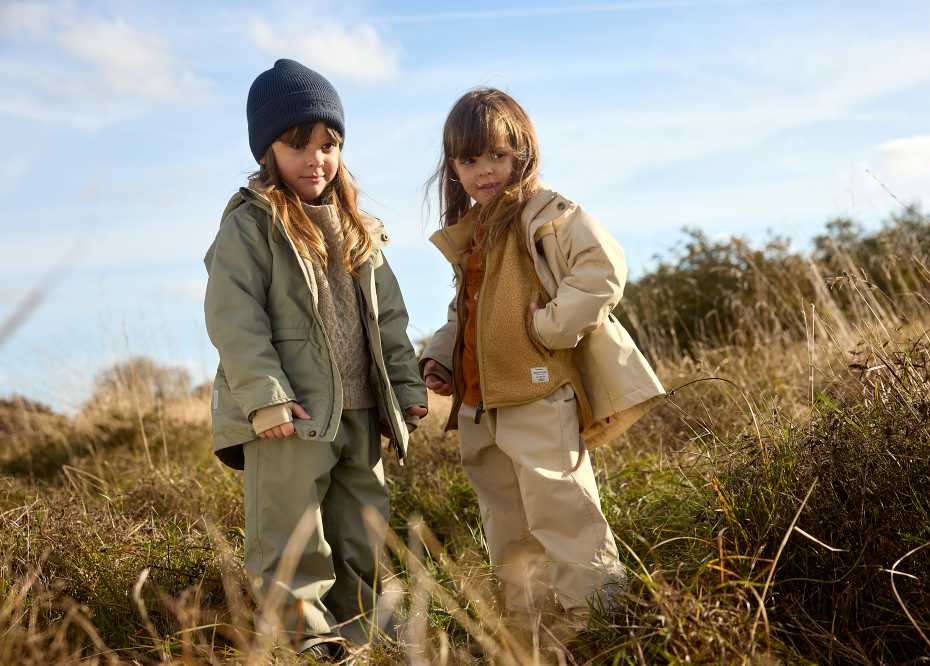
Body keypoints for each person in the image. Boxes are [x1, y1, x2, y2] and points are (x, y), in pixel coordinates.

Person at [420, 88, 665, 644]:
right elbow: (467, 311)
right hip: (483, 407)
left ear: (522, 154)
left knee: (565, 515)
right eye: (468, 160)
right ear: (453, 166)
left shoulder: (549, 213)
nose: (483, 171)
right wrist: (441, 355)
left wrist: (549, 327)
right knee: (507, 531)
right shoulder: (477, 232)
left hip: (538, 392)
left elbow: (603, 269)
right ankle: (533, 638)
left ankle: (600, 629)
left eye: (496, 157)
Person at [203, 58, 427, 658]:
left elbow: (390, 318)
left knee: (364, 534)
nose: (315, 159)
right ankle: (309, 644)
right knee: (293, 539)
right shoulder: (251, 224)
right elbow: (234, 319)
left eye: (328, 144)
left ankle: (368, 639)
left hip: (359, 410)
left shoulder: (362, 228)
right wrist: (267, 398)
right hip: (290, 416)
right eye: (296, 145)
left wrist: (403, 388)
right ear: (267, 150)